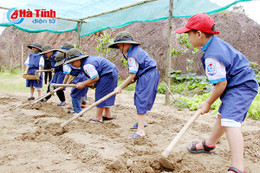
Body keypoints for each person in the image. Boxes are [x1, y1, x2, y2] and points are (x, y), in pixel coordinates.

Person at [175, 13, 258, 173]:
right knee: (223, 115)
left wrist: (207, 102)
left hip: (241, 85)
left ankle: (237, 168)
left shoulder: (212, 56)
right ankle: (209, 144)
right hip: (238, 83)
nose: (187, 37)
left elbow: (220, 85)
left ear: (198, 34)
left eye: (188, 34)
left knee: (230, 122)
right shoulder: (214, 45)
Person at [109, 31, 160, 138]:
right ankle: (143, 122)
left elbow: (132, 75)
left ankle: (140, 131)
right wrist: (135, 77)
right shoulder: (136, 50)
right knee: (142, 97)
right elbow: (136, 73)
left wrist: (120, 87)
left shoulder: (132, 55)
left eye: (119, 46)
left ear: (126, 43)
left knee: (141, 98)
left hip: (147, 75)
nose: (119, 49)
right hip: (150, 74)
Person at [64, 48, 118, 123]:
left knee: (100, 94)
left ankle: (98, 118)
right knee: (105, 94)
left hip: (108, 74)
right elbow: (94, 76)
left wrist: (83, 83)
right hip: (110, 73)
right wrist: (92, 84)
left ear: (78, 59)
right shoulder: (87, 62)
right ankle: (107, 114)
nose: (72, 65)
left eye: (72, 62)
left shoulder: (86, 65)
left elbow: (95, 77)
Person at [58, 42, 87, 109]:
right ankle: (81, 104)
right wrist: (71, 81)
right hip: (84, 76)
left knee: (75, 93)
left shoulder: (67, 63)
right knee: (81, 91)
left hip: (80, 77)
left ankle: (76, 108)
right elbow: (75, 73)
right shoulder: (78, 60)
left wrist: (62, 85)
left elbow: (67, 76)